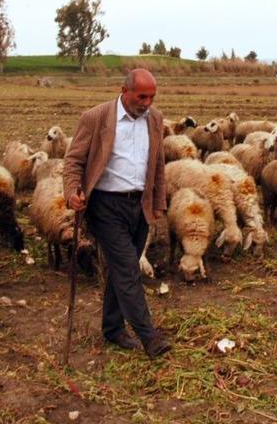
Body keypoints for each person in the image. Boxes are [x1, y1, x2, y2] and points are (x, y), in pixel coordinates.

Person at [63, 68, 171, 359]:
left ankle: (112, 328)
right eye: (142, 97)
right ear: (125, 91)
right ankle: (149, 338)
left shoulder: (155, 119)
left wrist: (158, 202)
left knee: (121, 268)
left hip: (140, 204)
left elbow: (158, 164)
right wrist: (72, 191)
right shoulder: (96, 117)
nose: (147, 103)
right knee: (127, 268)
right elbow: (73, 160)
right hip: (106, 206)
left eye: (152, 97)